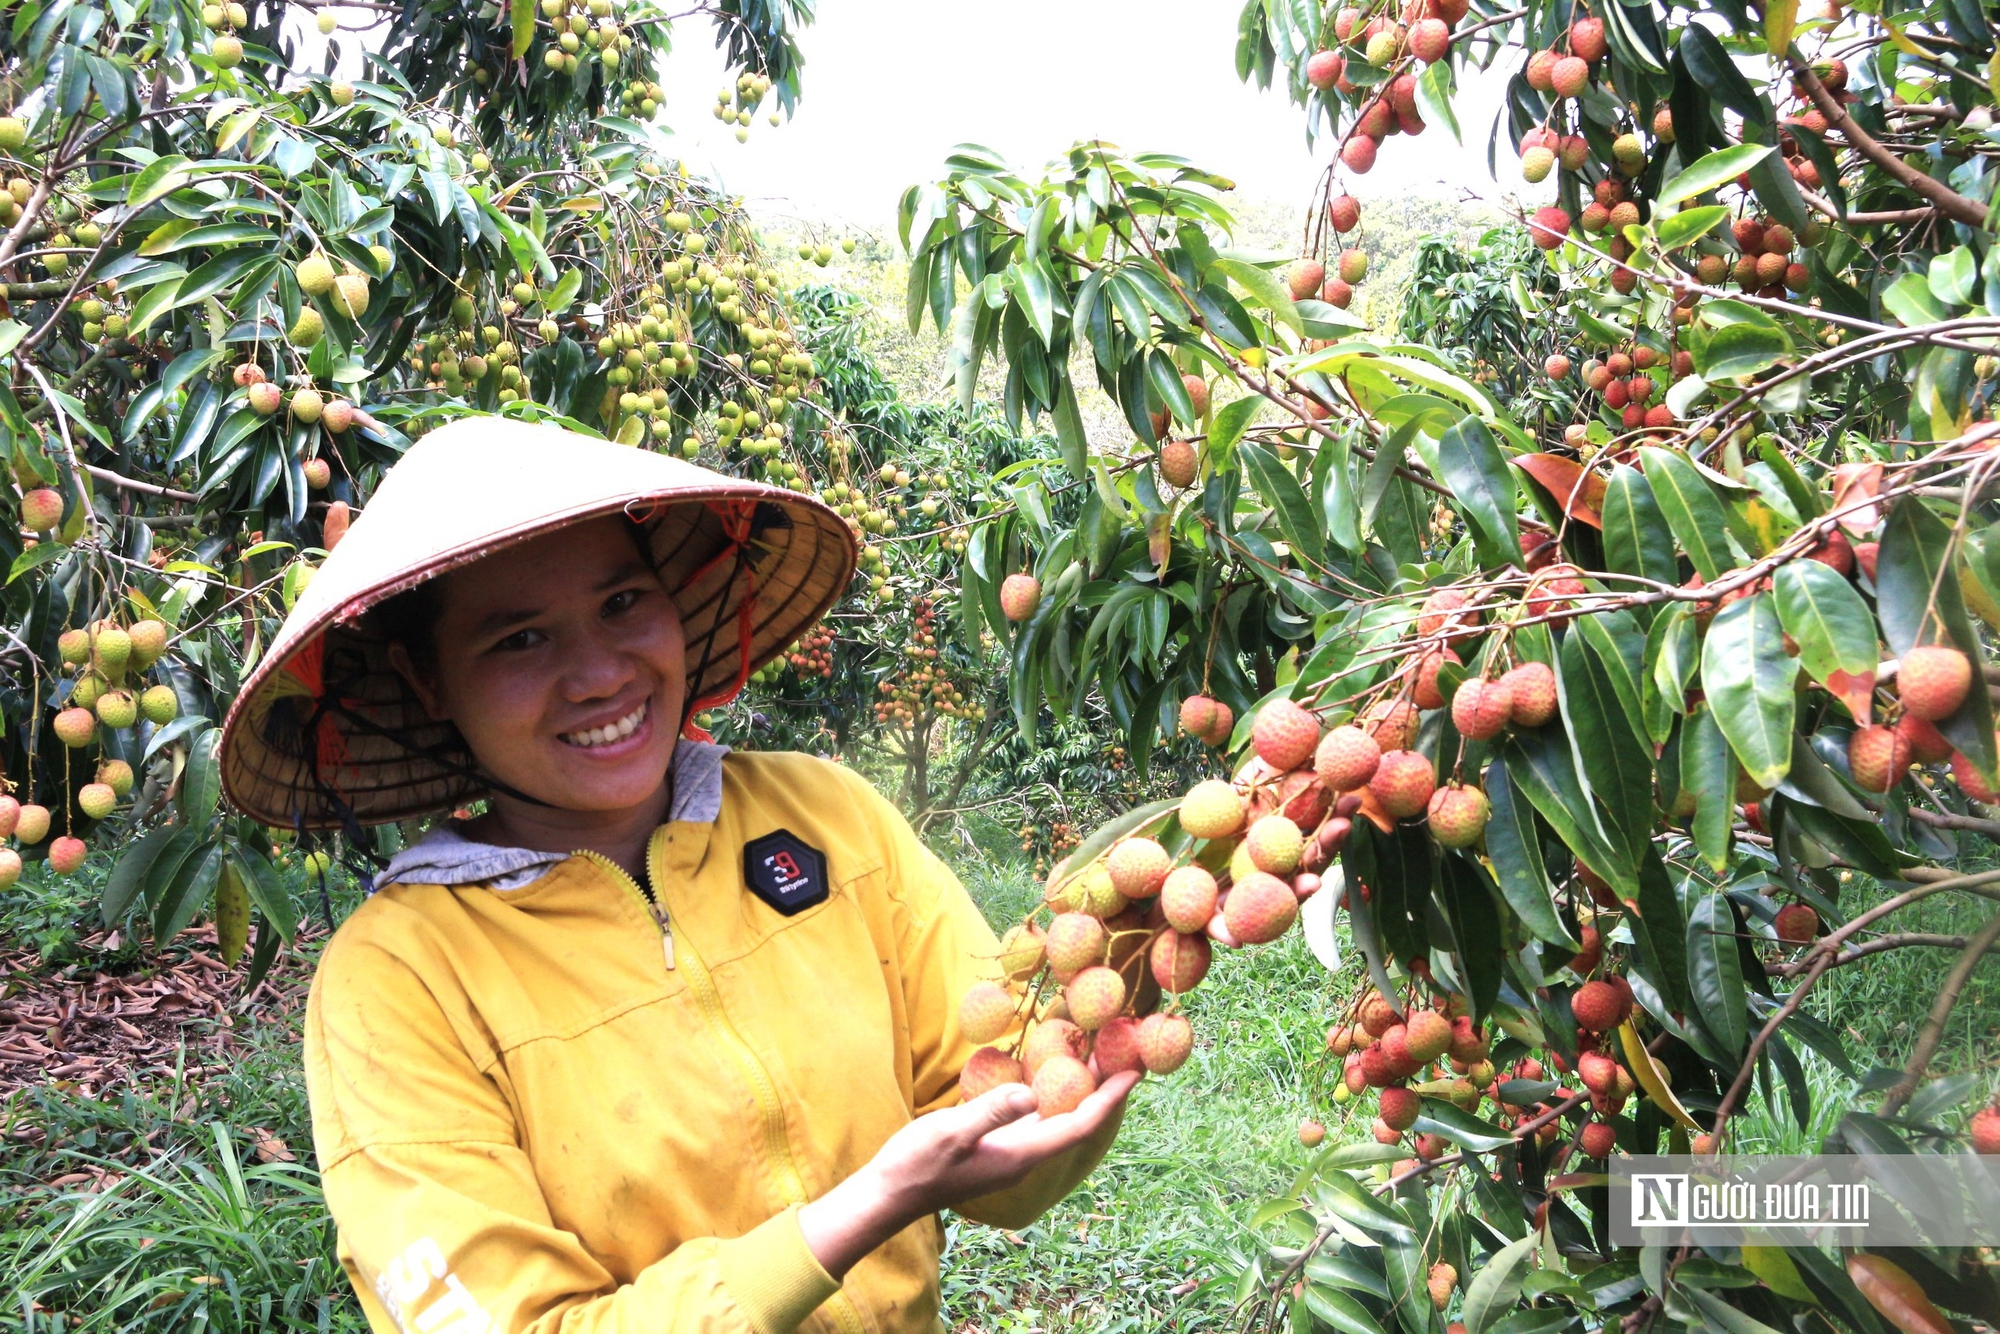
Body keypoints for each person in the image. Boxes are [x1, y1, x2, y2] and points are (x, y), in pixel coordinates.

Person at [218, 418, 1136, 1334]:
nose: (598, 674)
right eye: (520, 641)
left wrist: (1126, 971)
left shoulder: (824, 815)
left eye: (622, 603)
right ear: (429, 683)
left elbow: (994, 1124)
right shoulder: (398, 978)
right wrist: (859, 1211)